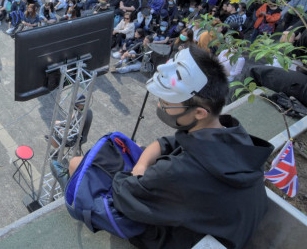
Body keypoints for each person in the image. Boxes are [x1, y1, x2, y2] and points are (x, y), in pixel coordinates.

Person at [53, 46, 273, 249]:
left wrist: (137, 172)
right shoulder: (232, 132)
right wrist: (143, 162)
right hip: (218, 227)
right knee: (138, 150)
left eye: (167, 103)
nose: (160, 105)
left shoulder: (179, 171)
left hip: (179, 238)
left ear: (199, 113)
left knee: (76, 165)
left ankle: (72, 181)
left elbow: (124, 194)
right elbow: (169, 143)